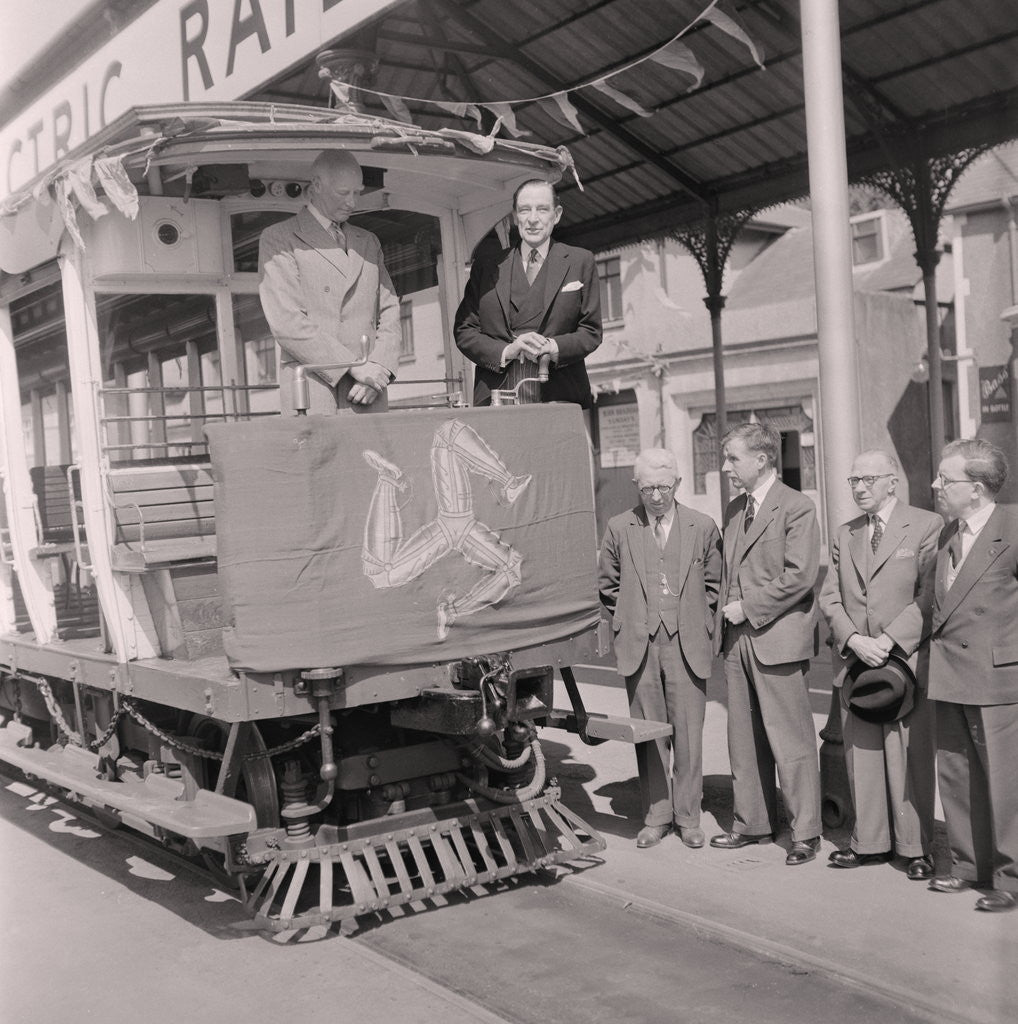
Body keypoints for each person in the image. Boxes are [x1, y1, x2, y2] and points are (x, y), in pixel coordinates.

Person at [818, 449, 941, 880]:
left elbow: (929, 596)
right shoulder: (844, 533)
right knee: (863, 757)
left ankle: (916, 848)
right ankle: (868, 842)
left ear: (893, 481)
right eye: (854, 480)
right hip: (857, 663)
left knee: (908, 757)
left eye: (868, 479)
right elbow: (829, 596)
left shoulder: (926, 525)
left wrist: (888, 641)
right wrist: (853, 638)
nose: (859, 487)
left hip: (903, 663)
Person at [710, 422, 823, 865]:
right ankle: (752, 823)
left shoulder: (797, 506)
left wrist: (747, 607)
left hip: (775, 637)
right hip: (737, 640)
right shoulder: (736, 509)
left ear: (761, 459)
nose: (726, 468)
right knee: (743, 739)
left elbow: (799, 575)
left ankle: (805, 832)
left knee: (790, 740)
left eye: (732, 459)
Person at [598, 448, 723, 848]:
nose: (656, 496)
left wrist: (700, 625)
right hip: (640, 644)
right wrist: (633, 618)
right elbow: (607, 586)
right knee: (650, 733)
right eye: (648, 487)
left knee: (688, 732)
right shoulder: (620, 527)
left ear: (678, 485)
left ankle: (688, 817)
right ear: (637, 485)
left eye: (663, 487)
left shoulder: (702, 526)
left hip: (687, 644)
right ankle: (656, 816)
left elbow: (715, 586)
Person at [923, 439, 1018, 912]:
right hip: (950, 672)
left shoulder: (1014, 526)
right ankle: (965, 865)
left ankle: (1010, 877)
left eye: (946, 478)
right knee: (956, 775)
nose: (936, 485)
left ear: (976, 489)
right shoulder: (947, 534)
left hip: (999, 678)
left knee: (1005, 782)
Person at [258, 150, 401, 415]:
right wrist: (355, 366)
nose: (352, 202)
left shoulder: (368, 241)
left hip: (369, 392)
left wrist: (380, 369)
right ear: (317, 186)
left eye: (357, 193)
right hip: (313, 390)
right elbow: (286, 322)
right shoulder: (279, 238)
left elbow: (390, 309)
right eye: (343, 193)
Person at [453, 179, 601, 407]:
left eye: (542, 209)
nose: (533, 219)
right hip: (497, 397)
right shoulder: (487, 265)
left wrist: (552, 347)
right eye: (525, 210)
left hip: (559, 396)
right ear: (515, 216)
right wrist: (508, 350)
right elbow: (465, 330)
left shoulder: (580, 261)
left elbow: (591, 331)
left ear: (557, 214)